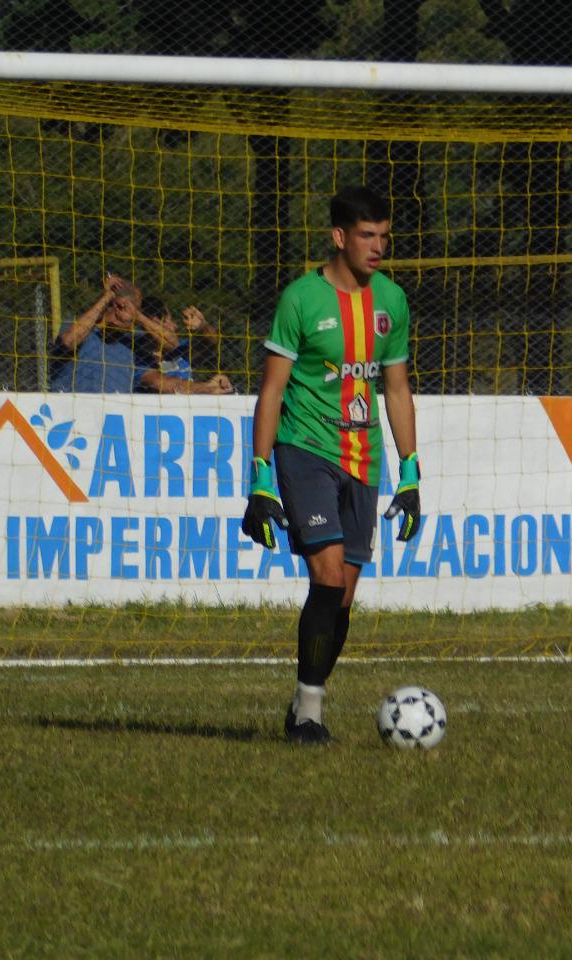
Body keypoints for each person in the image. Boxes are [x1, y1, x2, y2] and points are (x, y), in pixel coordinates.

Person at [241, 185, 421, 746]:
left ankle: (302, 703)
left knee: (342, 592)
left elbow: (396, 388)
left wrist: (411, 472)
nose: (378, 247)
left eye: (384, 237)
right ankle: (312, 716)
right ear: (339, 238)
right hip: (305, 450)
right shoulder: (301, 299)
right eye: (367, 236)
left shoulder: (391, 300)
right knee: (324, 573)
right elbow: (271, 391)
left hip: (364, 459)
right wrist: (260, 476)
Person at [49, 272, 179, 393]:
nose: (135, 316)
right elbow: (68, 341)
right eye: (135, 308)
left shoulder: (132, 340)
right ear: (120, 306)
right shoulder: (79, 327)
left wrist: (139, 317)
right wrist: (107, 297)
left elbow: (172, 343)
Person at [135, 298, 234, 395]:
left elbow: (211, 342)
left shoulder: (180, 349)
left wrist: (202, 326)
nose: (175, 326)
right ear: (152, 323)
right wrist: (208, 388)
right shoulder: (137, 357)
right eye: (168, 321)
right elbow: (164, 384)